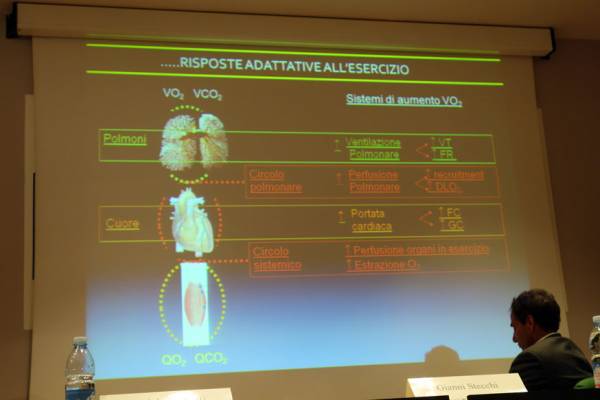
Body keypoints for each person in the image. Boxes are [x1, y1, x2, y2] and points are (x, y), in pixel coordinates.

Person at [509, 289, 592, 391]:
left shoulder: (529, 360)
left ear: (530, 323)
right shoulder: (575, 351)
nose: (514, 339)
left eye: (515, 327)